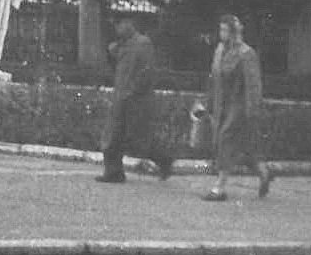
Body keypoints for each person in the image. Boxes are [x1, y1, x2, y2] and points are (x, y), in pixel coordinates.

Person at [191, 14, 272, 202]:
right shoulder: (219, 50)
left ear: (235, 32)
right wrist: (208, 102)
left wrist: (252, 111)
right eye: (221, 30)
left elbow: (253, 85)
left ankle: (219, 187)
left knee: (225, 139)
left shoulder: (246, 54)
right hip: (222, 104)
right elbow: (214, 78)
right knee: (241, 148)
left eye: (226, 30)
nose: (222, 34)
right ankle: (263, 171)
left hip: (239, 105)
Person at [97, 17, 173, 184]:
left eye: (121, 24)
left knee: (138, 139)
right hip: (121, 97)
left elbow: (147, 71)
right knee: (112, 136)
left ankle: (164, 159)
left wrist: (135, 90)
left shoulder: (143, 43)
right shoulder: (122, 45)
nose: (119, 28)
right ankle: (113, 171)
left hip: (137, 100)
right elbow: (114, 63)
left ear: (130, 24)